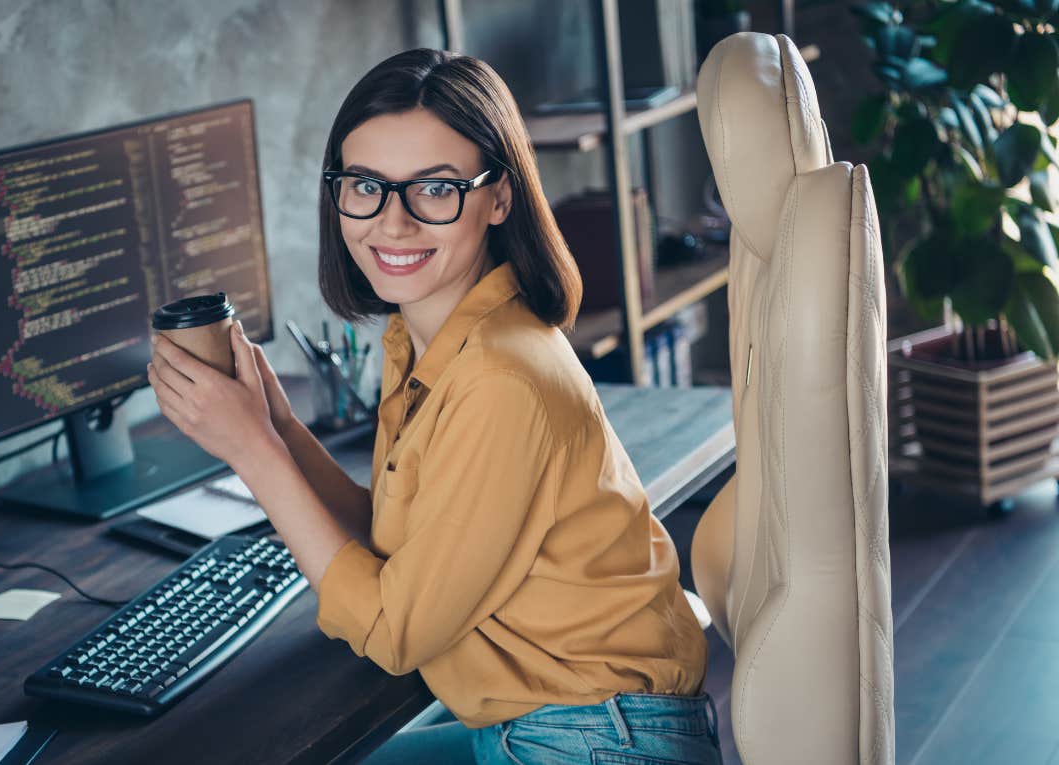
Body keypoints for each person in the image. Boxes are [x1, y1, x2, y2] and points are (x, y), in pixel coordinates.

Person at [146, 48, 722, 765]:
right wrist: (280, 428)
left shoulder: (502, 379)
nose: (393, 222)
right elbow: (394, 547)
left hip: (600, 740)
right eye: (366, 186)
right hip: (559, 720)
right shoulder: (430, 338)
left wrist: (253, 454)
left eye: (436, 189)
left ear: (498, 197)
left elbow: (396, 629)